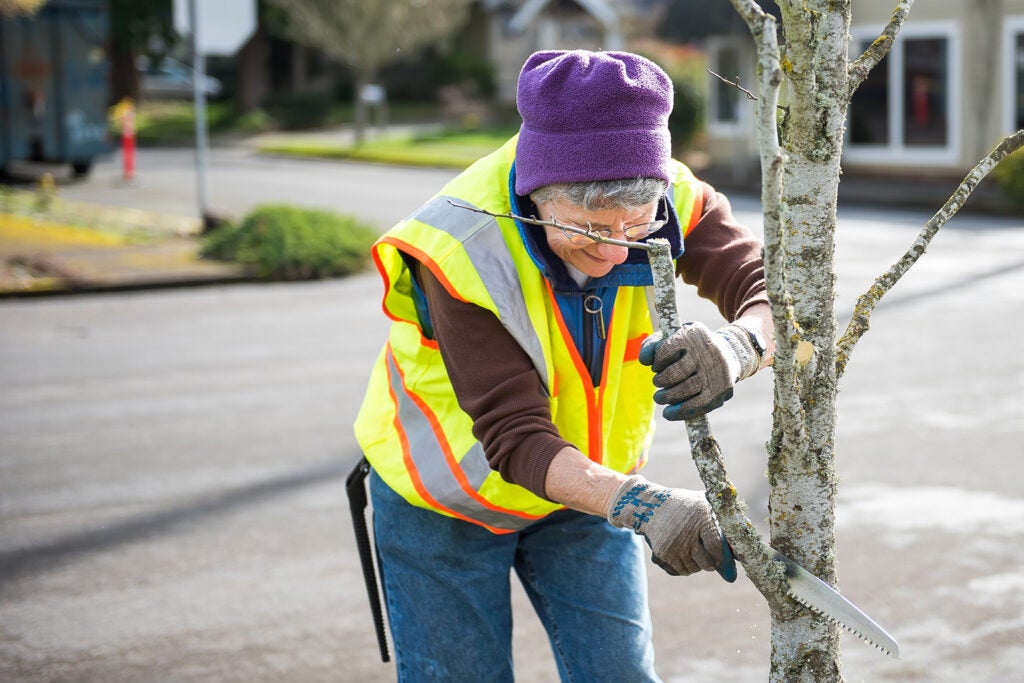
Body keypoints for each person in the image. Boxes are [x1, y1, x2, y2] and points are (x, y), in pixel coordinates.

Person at [353, 49, 774, 682]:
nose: (612, 248)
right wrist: (647, 508)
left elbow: (772, 289)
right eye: (589, 228)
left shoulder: (664, 195)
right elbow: (516, 438)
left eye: (634, 226)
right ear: (535, 196)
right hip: (445, 502)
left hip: (589, 492)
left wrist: (742, 346)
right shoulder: (462, 244)